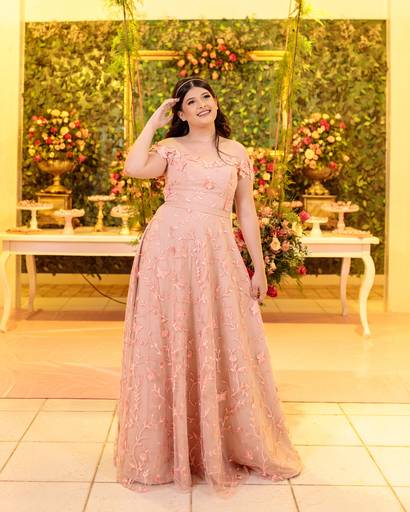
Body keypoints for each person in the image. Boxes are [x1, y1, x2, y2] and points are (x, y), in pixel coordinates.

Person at [113, 77, 303, 497]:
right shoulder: (170, 148)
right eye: (190, 101)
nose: (201, 104)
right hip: (169, 249)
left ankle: (222, 444)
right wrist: (153, 123)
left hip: (217, 250)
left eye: (206, 97)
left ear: (216, 103)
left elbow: (246, 210)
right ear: (181, 113)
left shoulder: (236, 152)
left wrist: (258, 267)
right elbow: (133, 168)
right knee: (172, 335)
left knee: (221, 338)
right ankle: (167, 450)